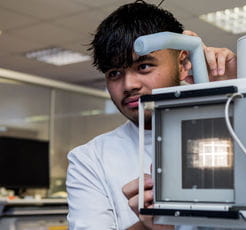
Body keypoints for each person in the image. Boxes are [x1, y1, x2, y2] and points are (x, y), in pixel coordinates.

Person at [65, 1, 236, 229]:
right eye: (114, 73)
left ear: (183, 63)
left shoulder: (233, 130)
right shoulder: (89, 160)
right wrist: (146, 227)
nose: (129, 85)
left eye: (144, 66)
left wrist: (236, 92)